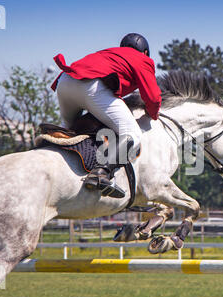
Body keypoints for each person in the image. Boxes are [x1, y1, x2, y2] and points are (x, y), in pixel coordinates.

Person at [51, 33, 162, 198]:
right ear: (145, 52)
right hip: (92, 86)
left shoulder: (109, 53)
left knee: (70, 131)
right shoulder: (143, 59)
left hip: (65, 83)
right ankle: (101, 172)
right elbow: (152, 97)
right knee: (132, 134)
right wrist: (153, 114)